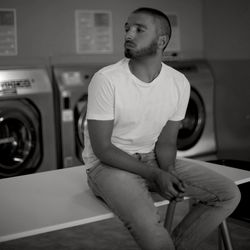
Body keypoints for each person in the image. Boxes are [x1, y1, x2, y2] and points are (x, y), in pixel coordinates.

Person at [82, 7, 241, 250]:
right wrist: (155, 175)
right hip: (107, 167)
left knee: (228, 194)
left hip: (152, 159)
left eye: (138, 29)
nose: (128, 34)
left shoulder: (178, 83)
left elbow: (167, 142)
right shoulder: (107, 79)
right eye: (127, 28)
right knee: (152, 229)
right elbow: (102, 149)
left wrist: (167, 170)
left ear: (162, 40)